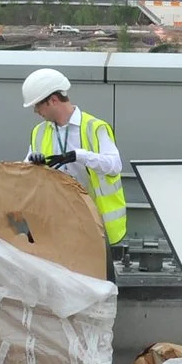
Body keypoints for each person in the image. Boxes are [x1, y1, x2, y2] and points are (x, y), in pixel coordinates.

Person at [20, 68, 129, 274]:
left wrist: (80, 155)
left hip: (91, 222)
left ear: (52, 100)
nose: (36, 111)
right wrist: (31, 163)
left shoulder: (95, 127)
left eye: (37, 105)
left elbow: (114, 165)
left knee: (96, 280)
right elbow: (24, 170)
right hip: (54, 221)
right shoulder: (40, 131)